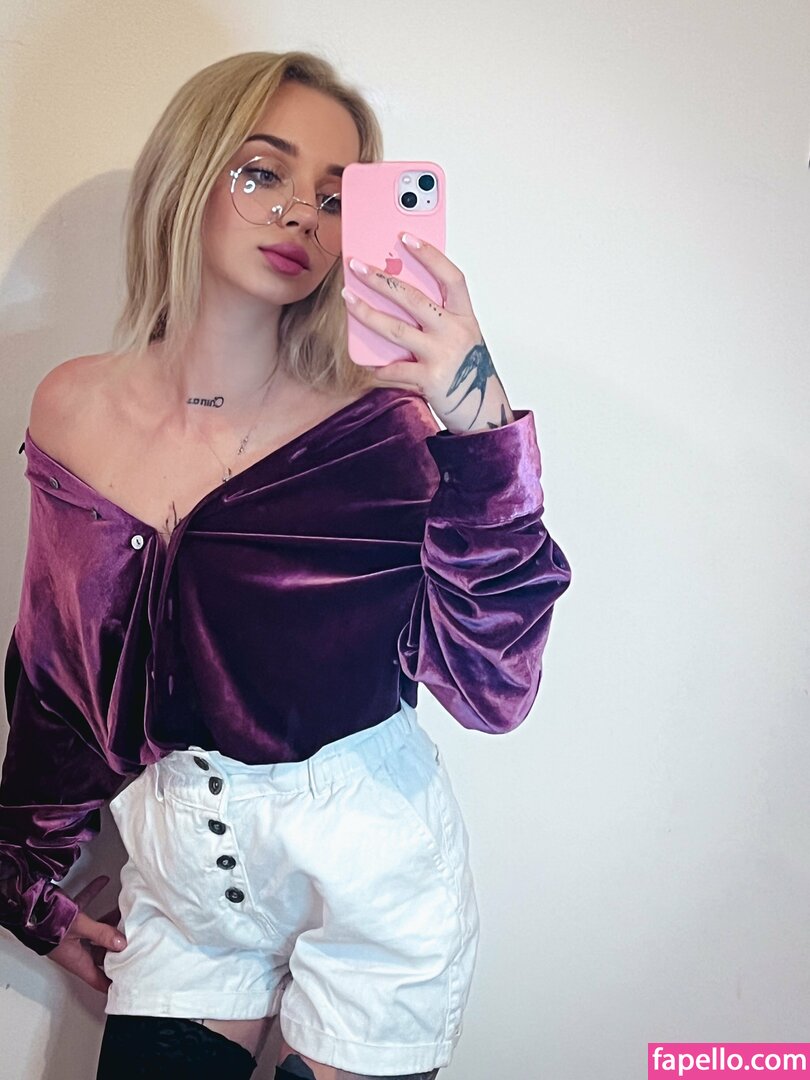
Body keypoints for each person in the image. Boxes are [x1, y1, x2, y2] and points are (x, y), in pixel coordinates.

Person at [0, 50, 572, 1080]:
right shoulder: (72, 408)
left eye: (335, 196)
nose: (302, 215)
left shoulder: (385, 429)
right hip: (183, 882)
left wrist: (479, 423)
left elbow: (494, 690)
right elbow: (58, 666)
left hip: (373, 887)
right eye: (262, 172)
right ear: (189, 172)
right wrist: (23, 876)